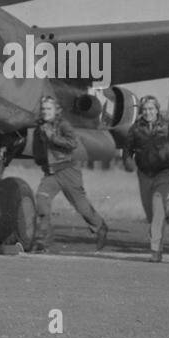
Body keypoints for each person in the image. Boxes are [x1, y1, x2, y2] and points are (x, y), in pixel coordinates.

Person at [32, 95, 109, 254]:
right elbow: (37, 149)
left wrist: (53, 137)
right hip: (51, 174)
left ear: (56, 110)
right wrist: (41, 161)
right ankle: (42, 242)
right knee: (41, 202)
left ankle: (100, 227)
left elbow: (73, 143)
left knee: (82, 208)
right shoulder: (39, 127)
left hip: (68, 170)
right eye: (43, 109)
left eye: (49, 109)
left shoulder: (63, 125)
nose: (45, 112)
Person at [124, 95, 169, 262]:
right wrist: (128, 162)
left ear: (157, 109)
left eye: (151, 109)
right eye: (145, 109)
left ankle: (155, 250)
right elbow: (127, 151)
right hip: (144, 174)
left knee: (157, 208)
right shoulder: (135, 129)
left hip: (164, 173)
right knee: (151, 215)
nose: (148, 112)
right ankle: (167, 208)